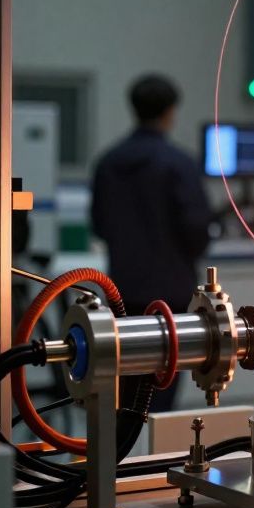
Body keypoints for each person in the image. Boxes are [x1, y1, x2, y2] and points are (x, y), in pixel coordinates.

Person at [91, 74, 212, 413]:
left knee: (127, 385)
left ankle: (123, 459)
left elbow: (100, 225)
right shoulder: (179, 164)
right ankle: (153, 461)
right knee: (162, 389)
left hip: (123, 293)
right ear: (170, 112)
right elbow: (197, 229)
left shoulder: (108, 162)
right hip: (170, 299)